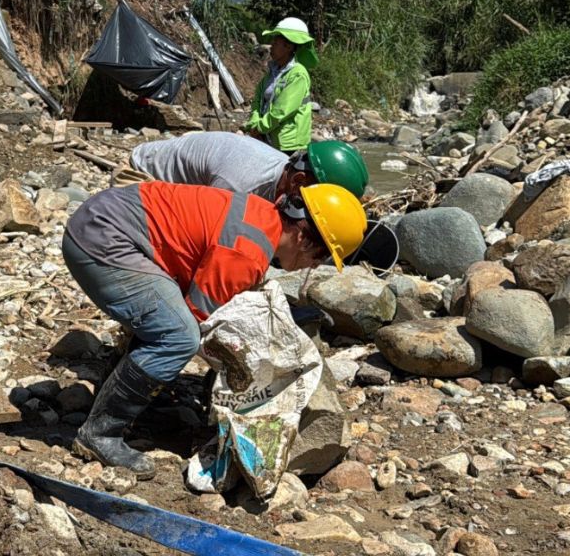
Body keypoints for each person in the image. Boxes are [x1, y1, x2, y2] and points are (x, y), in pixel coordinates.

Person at [62, 181, 366, 478]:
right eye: (321, 256)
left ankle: (114, 393)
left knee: (169, 319)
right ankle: (100, 432)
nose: (313, 267)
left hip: (106, 220)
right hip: (103, 240)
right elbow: (203, 324)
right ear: (303, 238)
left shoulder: (262, 216)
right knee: (179, 335)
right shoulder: (245, 252)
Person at [114, 132, 369, 200]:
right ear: (300, 181)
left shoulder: (283, 172)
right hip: (138, 176)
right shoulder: (240, 184)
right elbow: (209, 233)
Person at [246, 17, 317, 153]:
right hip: (268, 139)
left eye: (276, 43)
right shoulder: (272, 72)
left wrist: (259, 128)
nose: (271, 46)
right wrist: (254, 123)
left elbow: (282, 110)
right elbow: (257, 101)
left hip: (288, 145)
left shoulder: (298, 74)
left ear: (289, 47)